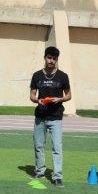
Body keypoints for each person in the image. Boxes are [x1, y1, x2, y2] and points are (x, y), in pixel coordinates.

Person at [29, 46, 71, 186]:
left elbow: (69, 95)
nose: (51, 61)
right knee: (38, 145)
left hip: (56, 117)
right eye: (49, 58)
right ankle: (40, 171)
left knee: (57, 148)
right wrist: (38, 100)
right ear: (45, 58)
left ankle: (57, 176)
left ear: (57, 60)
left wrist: (59, 99)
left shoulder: (62, 76)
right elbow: (32, 95)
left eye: (54, 58)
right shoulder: (37, 75)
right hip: (40, 116)